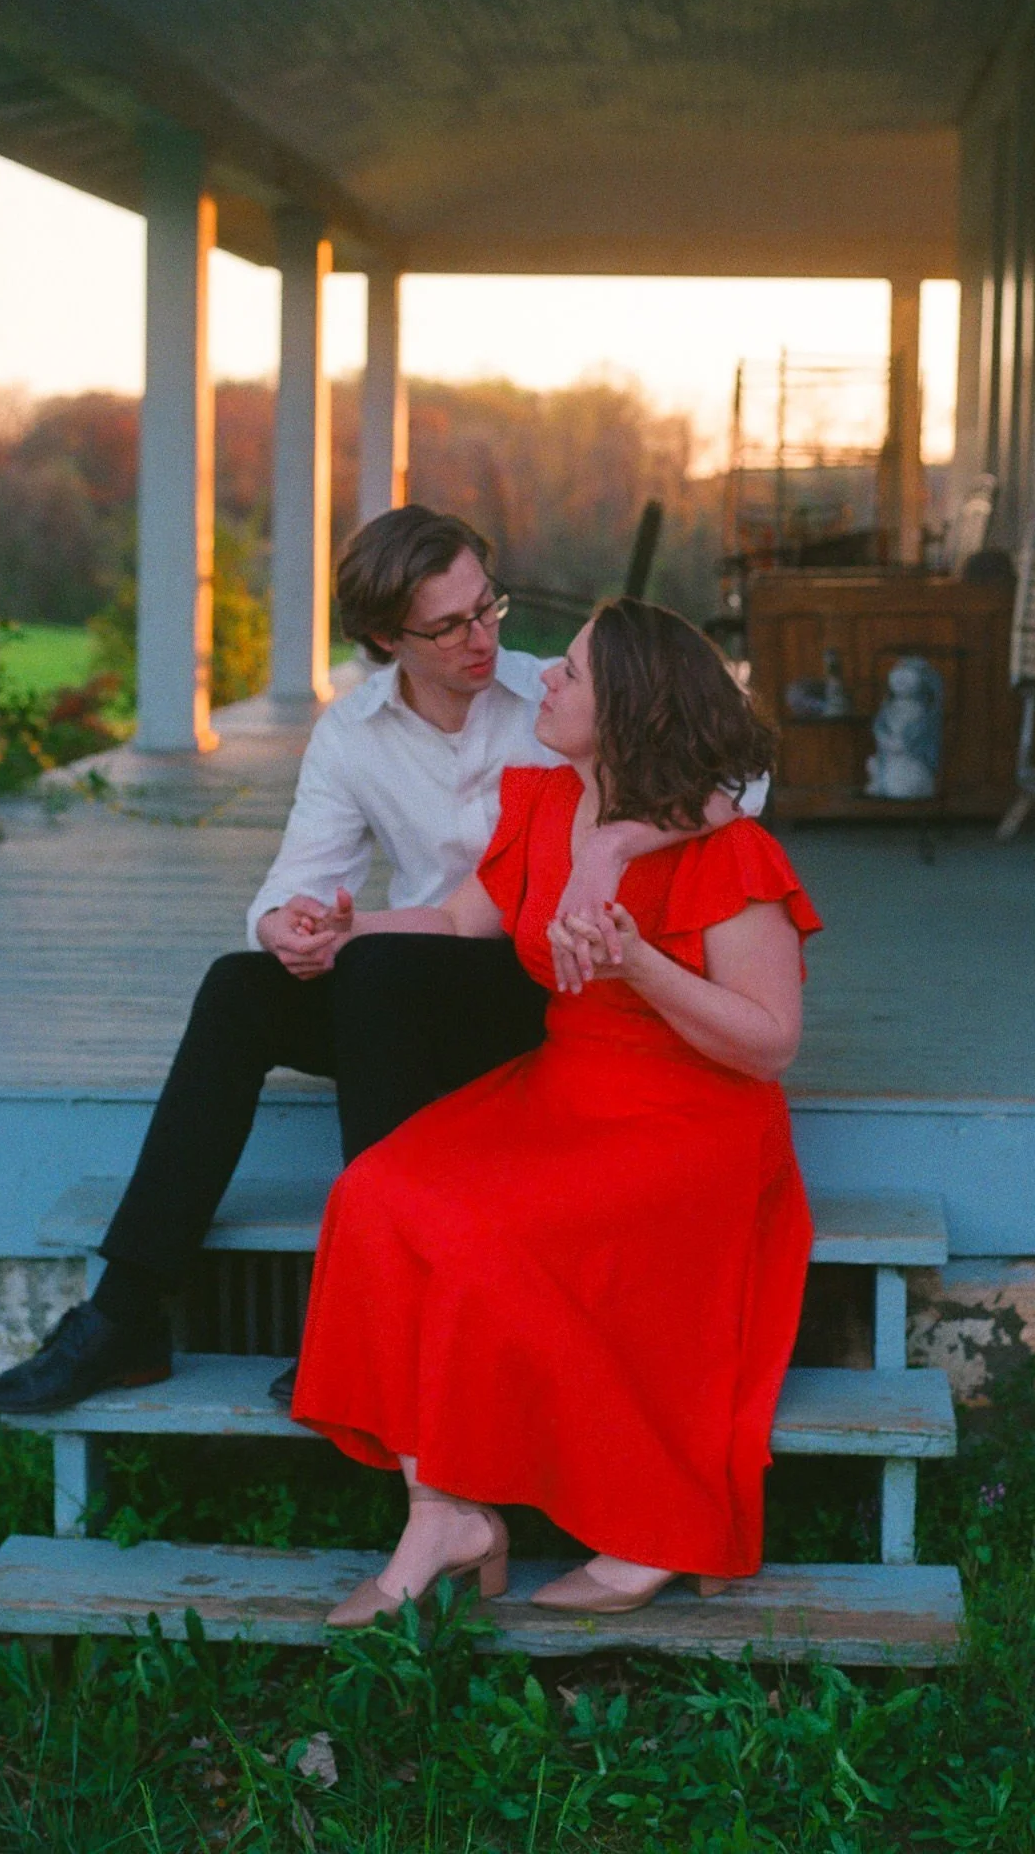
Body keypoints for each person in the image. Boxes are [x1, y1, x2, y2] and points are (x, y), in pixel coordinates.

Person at [0, 509, 763, 1418]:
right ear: (388, 637)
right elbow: (296, 887)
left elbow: (747, 778)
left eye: (487, 607)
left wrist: (615, 843)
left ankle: (374, 1305)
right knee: (241, 987)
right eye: (450, 625)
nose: (484, 636)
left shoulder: (557, 696)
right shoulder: (352, 734)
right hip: (420, 983)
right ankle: (124, 1316)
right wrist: (292, 928)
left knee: (382, 973)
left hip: (552, 993)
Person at [290, 598, 821, 1625]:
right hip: (564, 1085)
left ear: (624, 707)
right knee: (375, 1192)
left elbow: (769, 1042)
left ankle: (644, 1516)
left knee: (483, 1234)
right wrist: (351, 930)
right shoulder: (537, 802)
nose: (542, 681)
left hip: (690, 1113)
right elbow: (458, 916)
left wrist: (638, 961)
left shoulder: (731, 852)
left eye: (569, 674)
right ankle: (440, 1509)